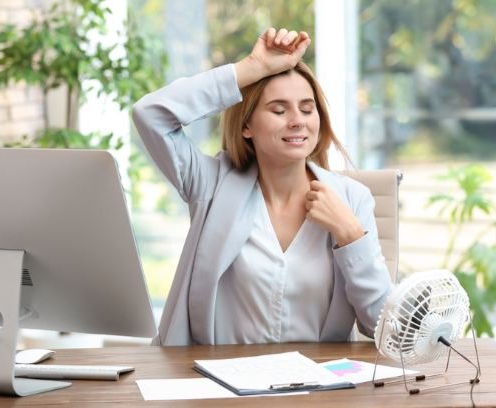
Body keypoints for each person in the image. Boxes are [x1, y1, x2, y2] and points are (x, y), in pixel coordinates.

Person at [132, 27, 392, 346]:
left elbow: (383, 327)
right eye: (279, 110)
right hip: (217, 385)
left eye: (307, 109)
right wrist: (252, 67)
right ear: (246, 127)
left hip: (317, 389)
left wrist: (350, 234)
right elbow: (151, 114)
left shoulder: (352, 200)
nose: (297, 120)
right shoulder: (211, 184)